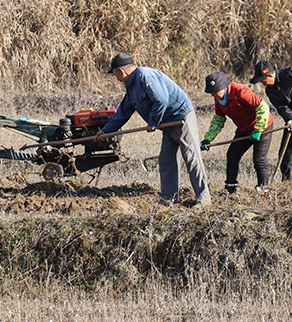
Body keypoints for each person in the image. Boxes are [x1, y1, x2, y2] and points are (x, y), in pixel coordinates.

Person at [95, 53, 211, 207]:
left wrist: (153, 122)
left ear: (121, 72)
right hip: (167, 124)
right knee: (166, 160)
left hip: (180, 118)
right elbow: (123, 112)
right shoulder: (131, 87)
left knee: (191, 157)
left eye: (115, 74)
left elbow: (161, 99)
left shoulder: (145, 76)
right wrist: (106, 131)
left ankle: (204, 199)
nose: (117, 79)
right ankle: (168, 199)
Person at [200, 71, 274, 194]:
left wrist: (258, 130)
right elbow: (218, 119)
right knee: (232, 155)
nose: (213, 94)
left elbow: (263, 107)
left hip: (262, 126)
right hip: (244, 129)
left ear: (223, 87)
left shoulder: (241, 92)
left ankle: (264, 189)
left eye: (215, 90)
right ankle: (230, 187)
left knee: (259, 159)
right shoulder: (218, 99)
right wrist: (208, 138)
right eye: (211, 92)